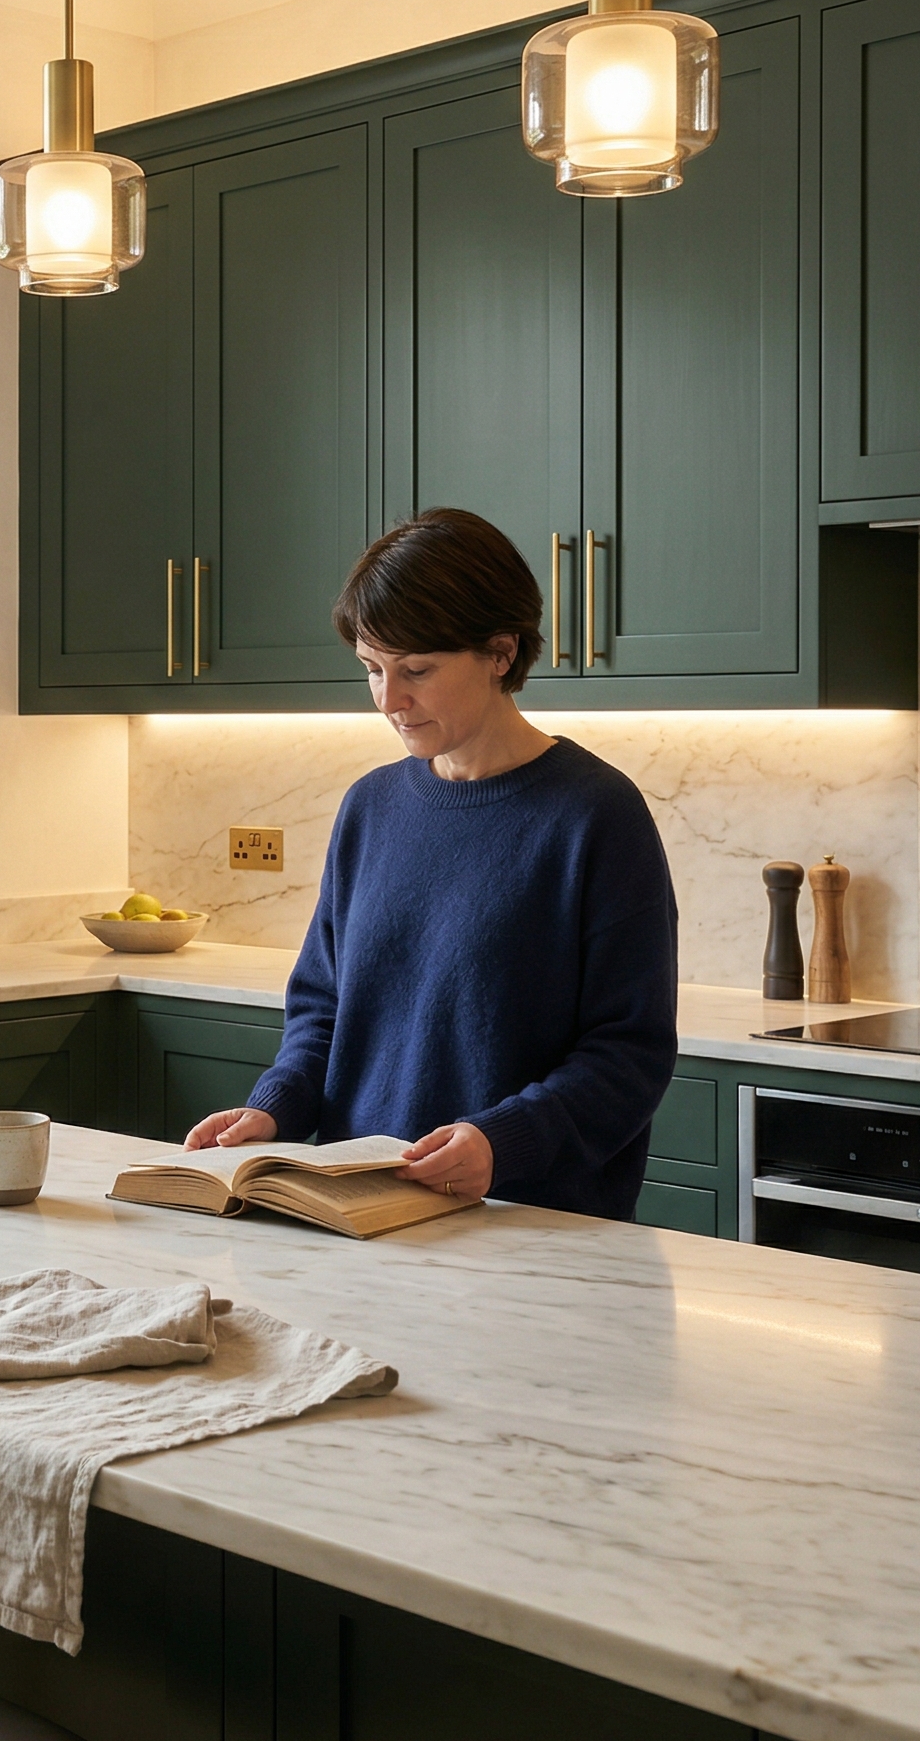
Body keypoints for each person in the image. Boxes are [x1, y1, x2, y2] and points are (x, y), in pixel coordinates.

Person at [183, 508, 678, 1220]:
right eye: (372, 670)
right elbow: (324, 1010)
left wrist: (500, 1142)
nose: (391, 700)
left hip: (528, 1227)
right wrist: (276, 1109)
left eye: (416, 670)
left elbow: (628, 1053)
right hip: (360, 1214)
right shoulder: (371, 808)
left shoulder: (595, 814)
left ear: (501, 653)